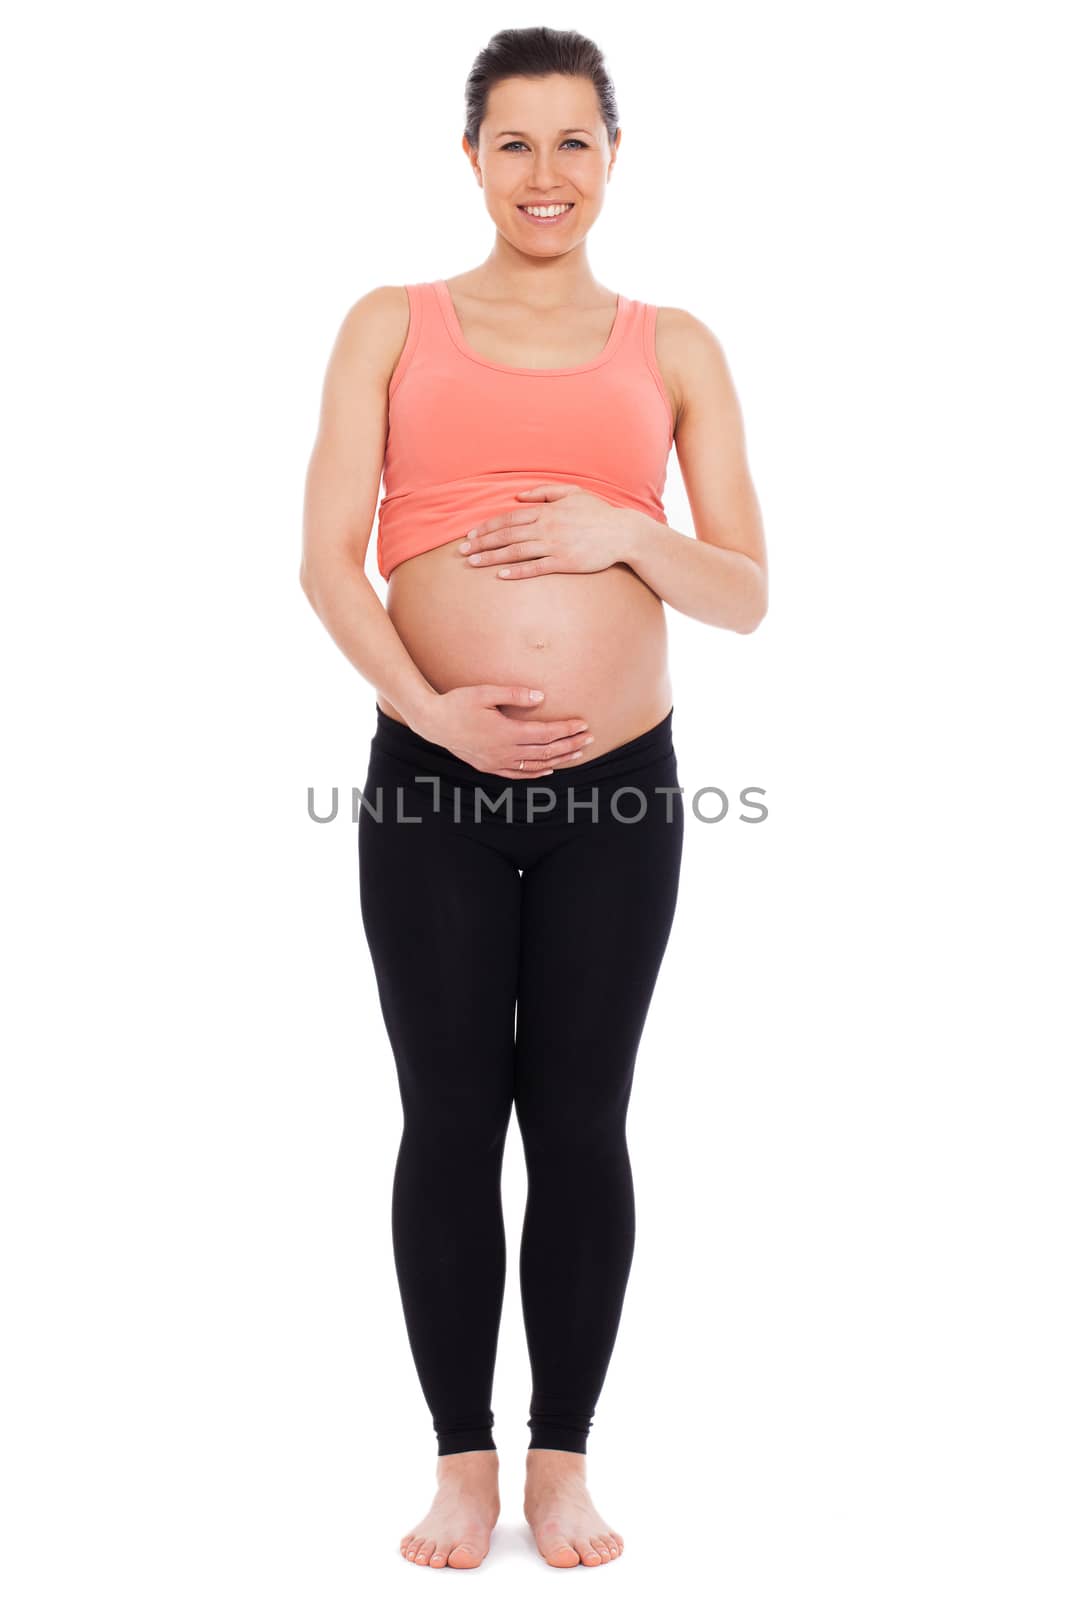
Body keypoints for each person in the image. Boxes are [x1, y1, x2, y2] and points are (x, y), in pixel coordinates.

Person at [300, 24, 768, 1571]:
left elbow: (746, 594)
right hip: (429, 777)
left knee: (578, 1120)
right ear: (471, 156)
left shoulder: (677, 344)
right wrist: (429, 707)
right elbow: (324, 563)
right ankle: (459, 1464)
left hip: (618, 795)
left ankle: (560, 1460)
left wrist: (611, 530)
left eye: (576, 142)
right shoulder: (390, 321)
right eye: (516, 142)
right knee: (447, 1115)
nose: (547, 173)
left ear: (615, 156)